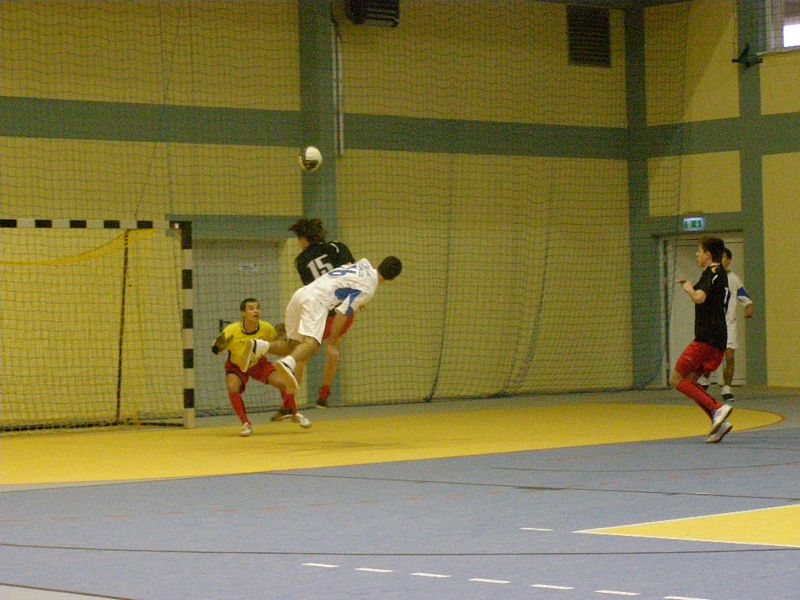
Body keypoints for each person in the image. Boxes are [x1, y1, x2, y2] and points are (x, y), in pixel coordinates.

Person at [248, 256, 402, 396]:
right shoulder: (368, 289)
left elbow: (351, 279)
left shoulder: (364, 264)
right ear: (393, 278)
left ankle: (260, 346)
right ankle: (288, 363)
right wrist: (333, 344)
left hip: (301, 294)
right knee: (311, 345)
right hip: (317, 302)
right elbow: (342, 313)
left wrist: (359, 300)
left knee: (293, 346)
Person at [272, 218, 356, 420]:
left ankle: (288, 404)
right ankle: (324, 394)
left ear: (304, 239)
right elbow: (353, 273)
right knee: (334, 347)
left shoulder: (301, 260)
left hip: (323, 312)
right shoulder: (337, 247)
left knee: (302, 356)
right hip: (345, 308)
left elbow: (313, 290)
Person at [211, 298, 311, 436]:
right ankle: (246, 424)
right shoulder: (231, 330)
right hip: (236, 365)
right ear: (243, 313)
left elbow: (278, 344)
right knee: (232, 386)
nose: (256, 311)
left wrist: (285, 337)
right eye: (251, 308)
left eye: (258, 308)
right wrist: (218, 346)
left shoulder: (266, 328)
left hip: (258, 363)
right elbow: (215, 349)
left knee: (284, 383)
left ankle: (294, 413)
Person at [671, 236, 734, 444]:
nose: (697, 254)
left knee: (677, 379)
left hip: (707, 338)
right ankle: (719, 422)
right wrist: (690, 286)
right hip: (716, 337)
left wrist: (689, 289)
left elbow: (700, 297)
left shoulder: (713, 272)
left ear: (708, 254)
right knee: (691, 382)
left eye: (699, 251)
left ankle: (718, 408)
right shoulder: (716, 274)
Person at [697, 247, 754, 402]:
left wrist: (749, 306)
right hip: (712, 324)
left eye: (722, 257)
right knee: (709, 355)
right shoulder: (709, 276)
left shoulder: (734, 279)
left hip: (728, 325)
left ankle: (727, 388)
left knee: (729, 356)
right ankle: (705, 379)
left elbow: (744, 296)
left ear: (728, 260)